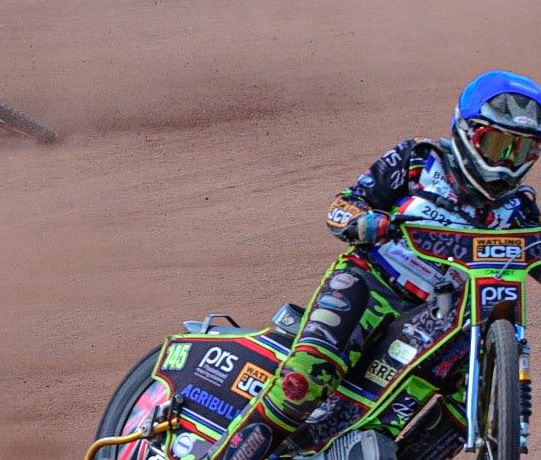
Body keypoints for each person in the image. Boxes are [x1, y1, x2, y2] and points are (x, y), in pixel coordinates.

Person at [205, 70, 541, 460]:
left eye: (520, 151)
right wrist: (362, 222)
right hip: (368, 284)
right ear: (467, 132)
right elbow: (343, 205)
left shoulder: (519, 210)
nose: (506, 162)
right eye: (498, 144)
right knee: (304, 381)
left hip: (440, 317)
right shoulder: (418, 160)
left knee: (470, 398)